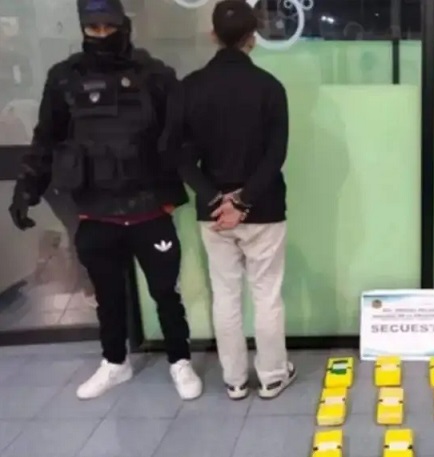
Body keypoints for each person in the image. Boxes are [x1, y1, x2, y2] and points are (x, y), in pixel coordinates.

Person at [7, 0, 202, 400]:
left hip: (148, 208)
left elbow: (180, 140)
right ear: (82, 28)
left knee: (166, 293)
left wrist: (173, 197)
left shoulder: (155, 76)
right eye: (92, 28)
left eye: (108, 27)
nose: (100, 35)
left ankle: (179, 360)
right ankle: (115, 362)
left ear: (123, 26)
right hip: (95, 211)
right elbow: (46, 139)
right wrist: (26, 189)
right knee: (107, 296)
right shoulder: (64, 79)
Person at [178, 0, 295, 400]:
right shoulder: (269, 87)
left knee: (225, 295)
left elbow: (179, 156)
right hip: (264, 208)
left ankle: (234, 380)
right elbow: (275, 155)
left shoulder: (190, 88)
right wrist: (243, 201)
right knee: (266, 294)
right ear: (253, 37)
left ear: (213, 35)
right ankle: (273, 376)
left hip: (213, 214)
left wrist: (216, 198)